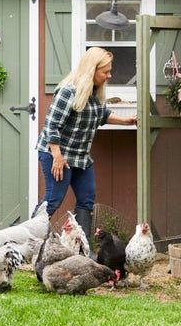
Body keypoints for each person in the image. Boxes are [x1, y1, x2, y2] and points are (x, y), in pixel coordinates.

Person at [35, 47, 137, 237]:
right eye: (105, 71)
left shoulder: (94, 92)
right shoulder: (69, 91)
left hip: (80, 156)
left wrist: (126, 120)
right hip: (57, 152)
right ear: (92, 70)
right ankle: (30, 240)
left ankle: (82, 248)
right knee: (54, 199)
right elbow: (51, 126)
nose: (109, 75)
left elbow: (102, 115)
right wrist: (57, 156)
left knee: (86, 199)